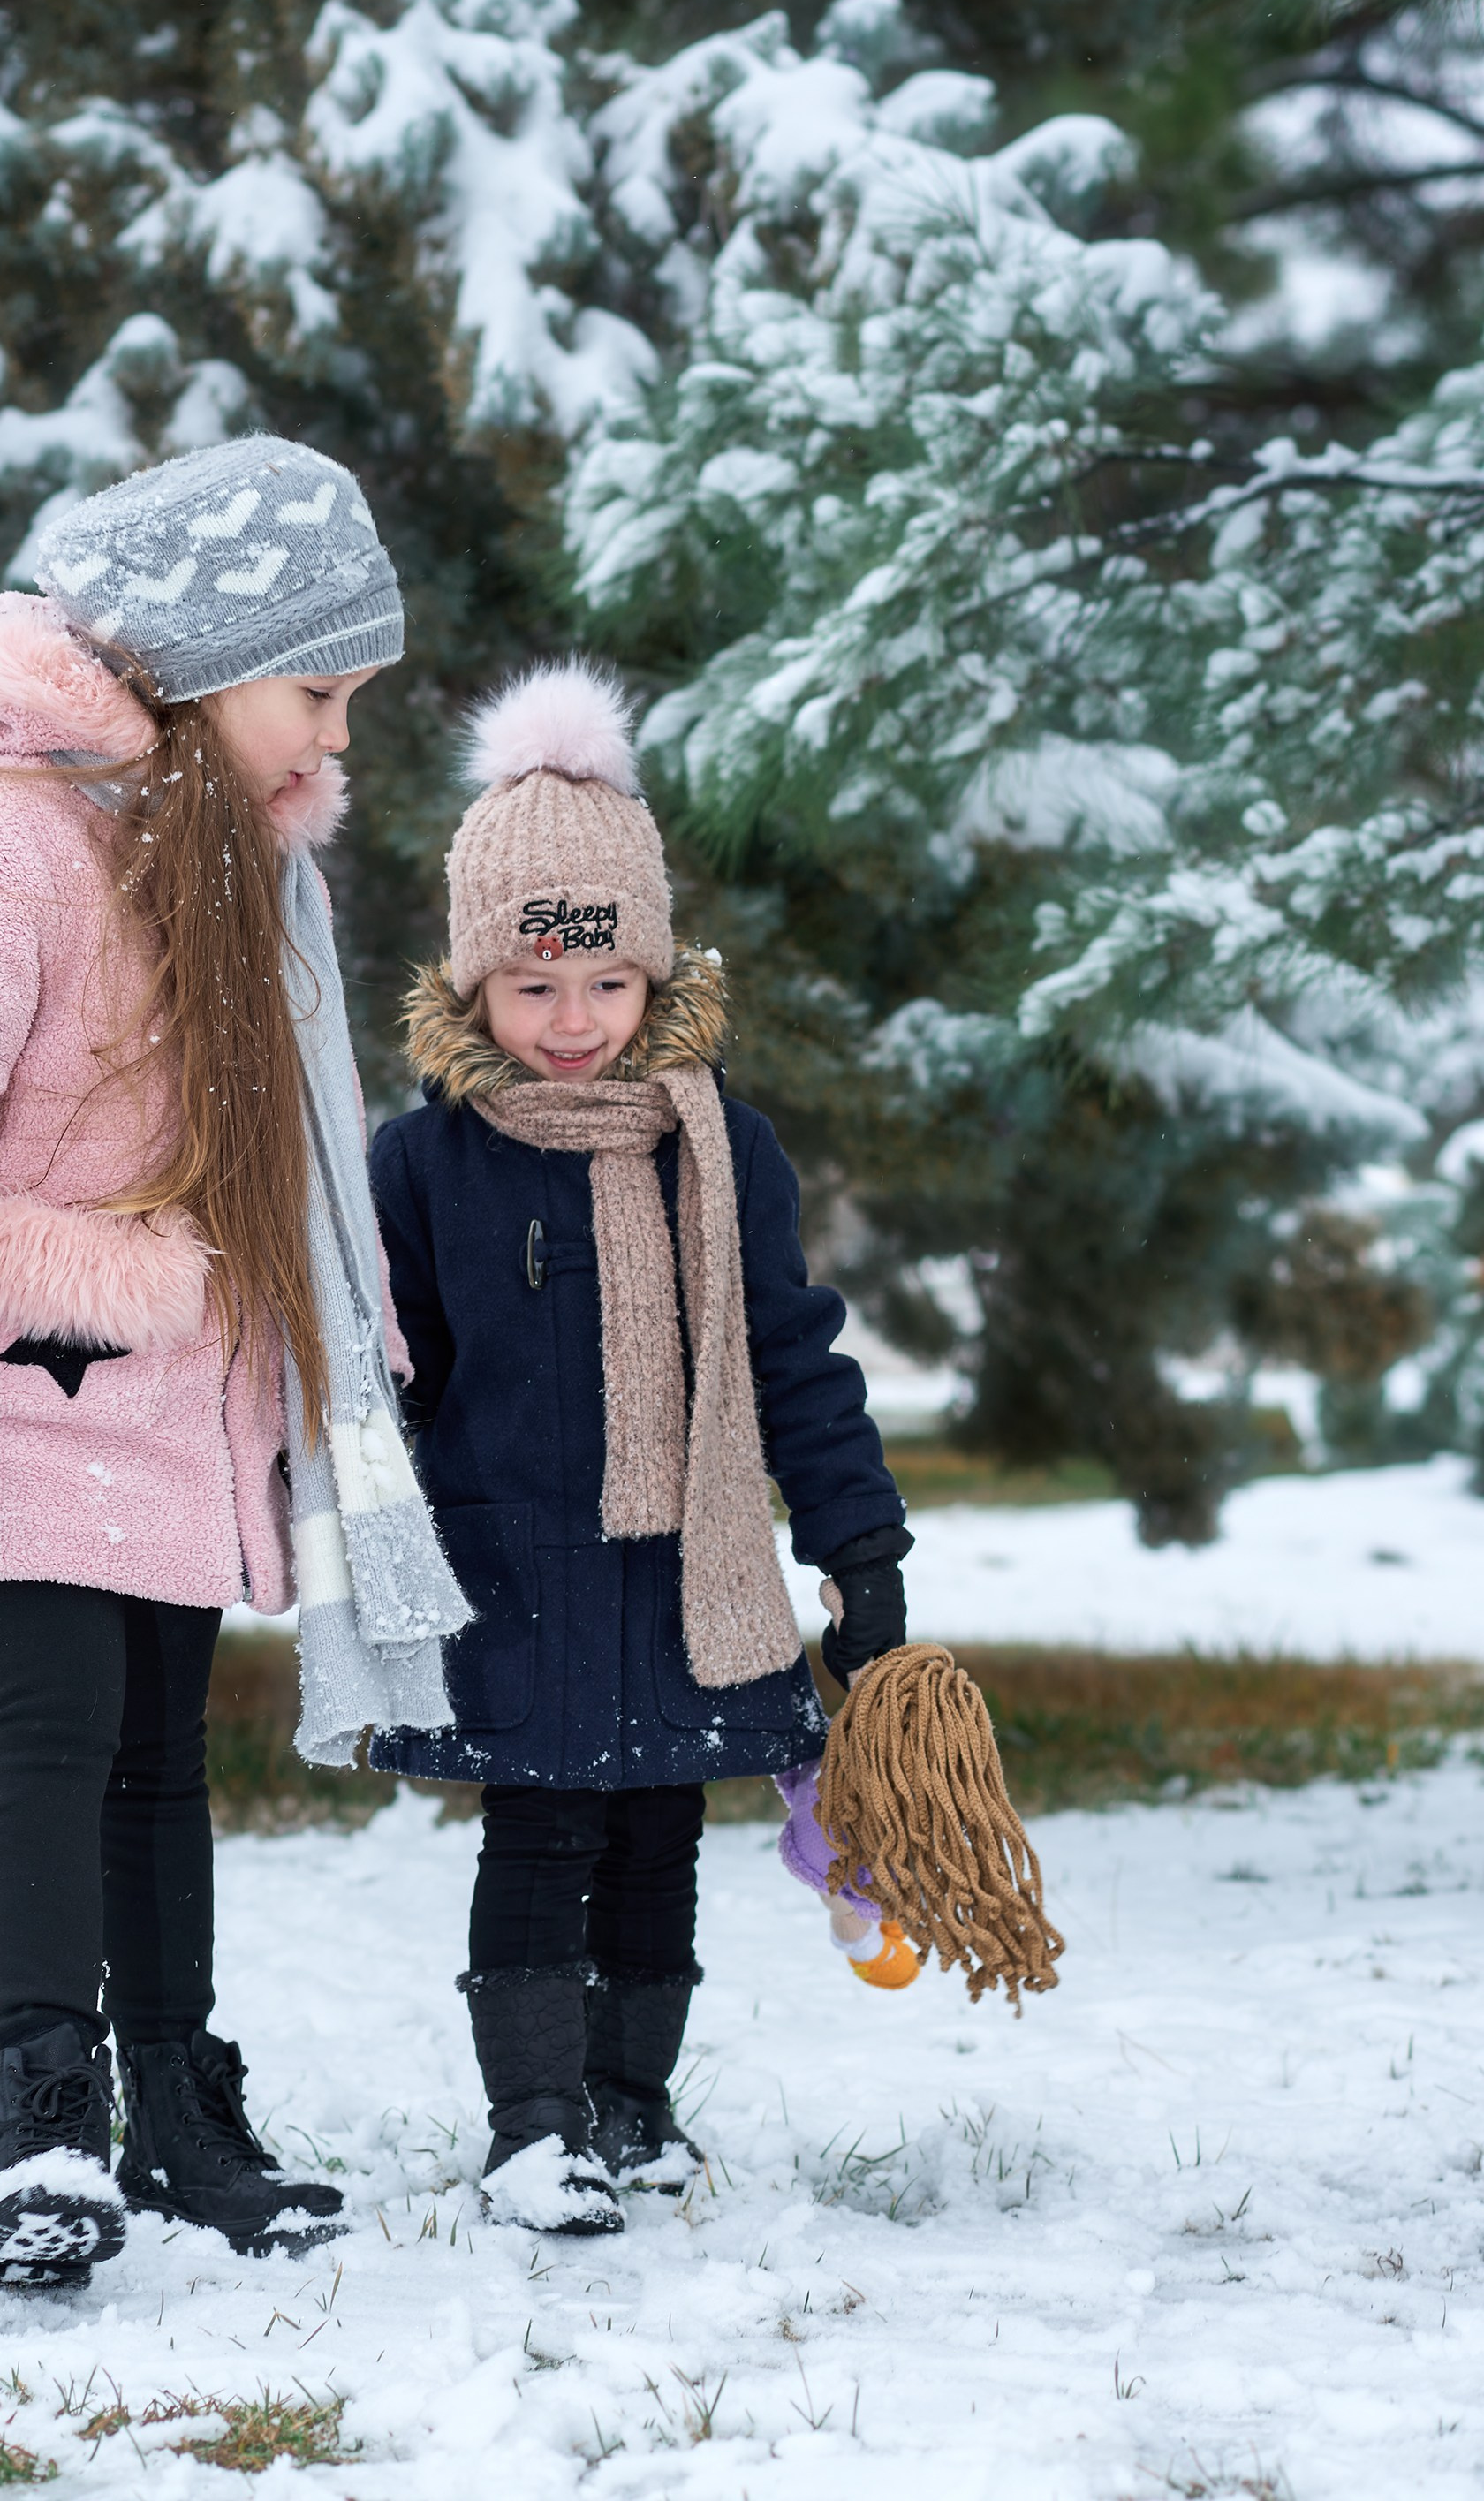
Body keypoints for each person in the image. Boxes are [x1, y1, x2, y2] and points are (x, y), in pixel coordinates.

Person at [0, 436, 468, 2290]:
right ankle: (42, 2125)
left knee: (164, 1755)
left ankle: (174, 2103)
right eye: (315, 693)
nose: (337, 744)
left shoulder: (243, 879)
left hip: (201, 1393)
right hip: (34, 1371)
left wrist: (362, 1369)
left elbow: (300, 1157)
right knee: (58, 1726)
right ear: (197, 659)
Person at [368, 660, 919, 2237]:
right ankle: (534, 2124)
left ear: (654, 979)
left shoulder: (720, 1147)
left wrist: (858, 1545)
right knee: (542, 1834)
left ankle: (633, 2104)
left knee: (661, 1831)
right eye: (533, 990)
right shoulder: (423, 1163)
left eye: (605, 987)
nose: (571, 1022)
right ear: (475, 989)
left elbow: (786, 1347)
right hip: (511, 1564)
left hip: (692, 1560)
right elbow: (387, 1376)